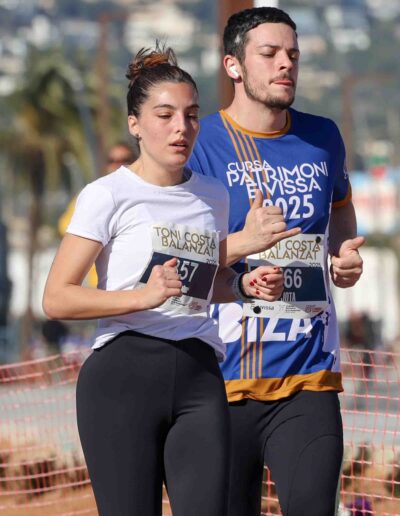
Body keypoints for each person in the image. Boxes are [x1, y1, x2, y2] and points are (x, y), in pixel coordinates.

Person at [42, 45, 285, 516]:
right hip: (122, 377)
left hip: (200, 375)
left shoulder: (212, 195)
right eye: (165, 115)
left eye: (191, 116)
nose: (181, 128)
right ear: (135, 124)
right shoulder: (107, 194)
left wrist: (241, 287)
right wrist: (142, 297)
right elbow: (57, 298)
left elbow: (200, 284)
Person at [188, 7, 364, 516]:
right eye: (269, 54)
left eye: (293, 54)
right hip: (219, 381)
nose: (285, 64)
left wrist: (342, 255)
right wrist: (243, 242)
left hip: (309, 375)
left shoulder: (322, 137)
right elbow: (177, 267)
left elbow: (341, 206)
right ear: (233, 65)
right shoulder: (200, 144)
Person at [58, 142, 137, 287]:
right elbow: (65, 227)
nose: (118, 165)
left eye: (125, 160)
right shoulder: (95, 194)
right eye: (112, 160)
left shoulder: (142, 197)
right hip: (99, 288)